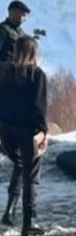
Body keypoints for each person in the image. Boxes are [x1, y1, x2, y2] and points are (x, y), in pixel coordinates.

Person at [0, 36, 47, 236]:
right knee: (31, 175)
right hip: (29, 132)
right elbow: (39, 106)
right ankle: (30, 221)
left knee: (20, 164)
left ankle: (10, 209)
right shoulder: (36, 75)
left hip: (6, 130)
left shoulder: (3, 72)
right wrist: (44, 131)